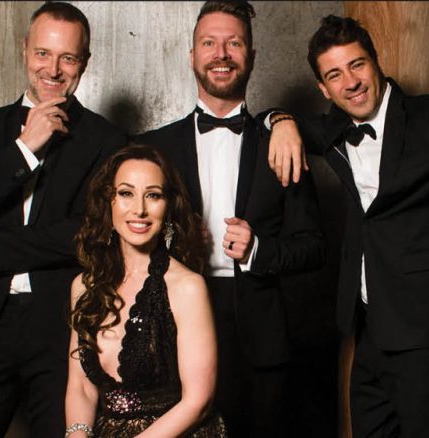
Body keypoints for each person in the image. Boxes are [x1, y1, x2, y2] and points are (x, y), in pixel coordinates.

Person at [266, 15, 429, 437]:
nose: (350, 82)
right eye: (335, 74)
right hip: (370, 334)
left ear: (376, 62)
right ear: (324, 89)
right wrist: (280, 121)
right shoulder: (335, 129)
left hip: (428, 333)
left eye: (357, 65)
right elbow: (269, 116)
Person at [133, 1, 325, 436]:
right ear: (192, 56)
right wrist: (171, 241)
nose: (221, 54)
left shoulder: (282, 143)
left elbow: (314, 245)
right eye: (209, 43)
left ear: (252, 56)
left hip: (260, 338)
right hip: (171, 328)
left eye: (233, 43)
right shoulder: (153, 148)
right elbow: (123, 233)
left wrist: (260, 250)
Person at [0, 2, 126, 436]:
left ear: (85, 63)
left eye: (68, 57)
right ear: (24, 51)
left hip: (62, 329)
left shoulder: (107, 141)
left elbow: (91, 232)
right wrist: (25, 147)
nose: (53, 69)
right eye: (43, 53)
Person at [64, 144, 226, 437]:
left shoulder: (187, 287)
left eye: (153, 195)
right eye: (126, 193)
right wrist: (76, 434)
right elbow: (81, 389)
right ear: (108, 201)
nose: (139, 209)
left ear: (168, 206)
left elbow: (197, 402)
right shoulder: (84, 286)